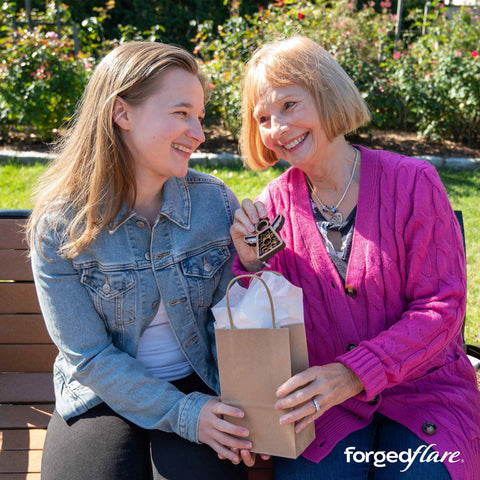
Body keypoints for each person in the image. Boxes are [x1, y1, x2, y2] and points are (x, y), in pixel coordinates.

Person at [230, 35, 480, 480]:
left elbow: (442, 309)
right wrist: (251, 265)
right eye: (263, 118)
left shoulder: (413, 182)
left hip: (426, 397)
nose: (278, 127)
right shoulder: (275, 205)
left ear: (326, 95)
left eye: (289, 105)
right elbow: (267, 318)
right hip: (327, 410)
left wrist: (353, 373)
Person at [28, 41, 252, 480]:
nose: (199, 133)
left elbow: (236, 322)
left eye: (200, 117)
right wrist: (185, 414)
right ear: (122, 113)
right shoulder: (60, 226)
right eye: (181, 113)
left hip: (199, 384)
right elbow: (89, 357)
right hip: (100, 394)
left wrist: (251, 264)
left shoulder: (214, 204)